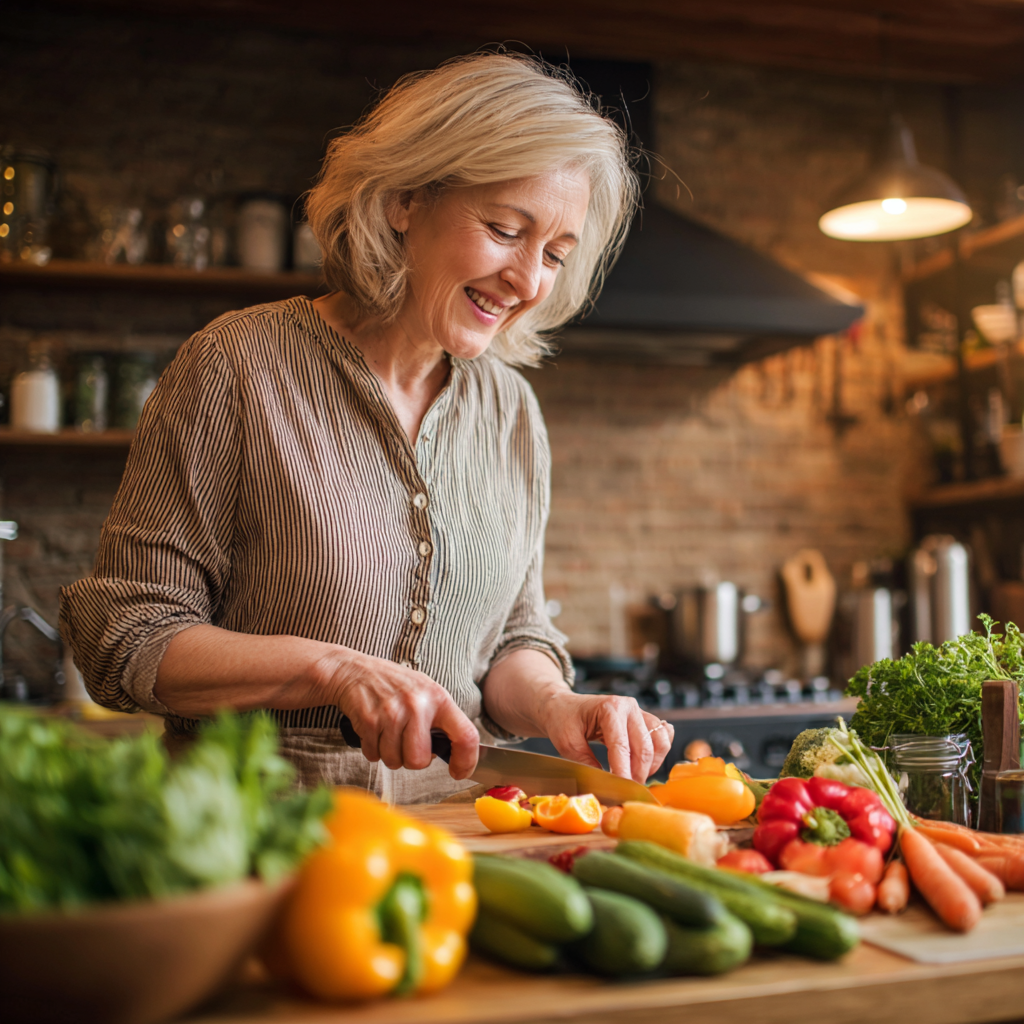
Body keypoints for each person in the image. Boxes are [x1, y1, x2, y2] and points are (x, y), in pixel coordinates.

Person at [59, 52, 675, 801]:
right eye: (505, 229)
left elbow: (512, 640)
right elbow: (124, 637)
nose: (530, 282)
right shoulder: (238, 365)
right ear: (405, 200)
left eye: (554, 254)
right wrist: (329, 669)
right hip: (262, 839)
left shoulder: (511, 410)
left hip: (458, 842)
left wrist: (558, 704)